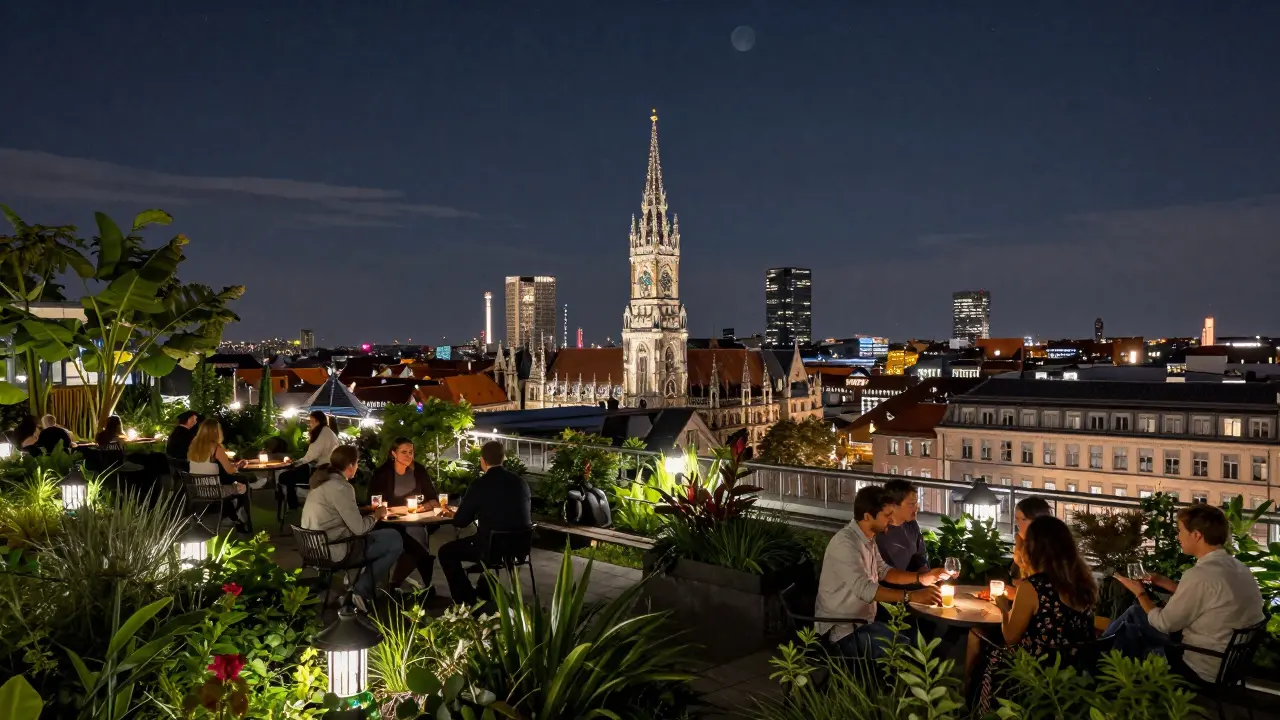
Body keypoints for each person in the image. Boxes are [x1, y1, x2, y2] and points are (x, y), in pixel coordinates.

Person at [1109, 504, 1265, 682]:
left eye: (1180, 531)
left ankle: (1101, 664)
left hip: (1202, 666)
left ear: (1197, 535)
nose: (1178, 537)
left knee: (1132, 621)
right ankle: (1104, 662)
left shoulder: (1200, 575)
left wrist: (1140, 593)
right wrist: (1163, 582)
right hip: (1232, 663)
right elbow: (1211, 596)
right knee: (1134, 619)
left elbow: (1164, 624)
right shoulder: (1238, 567)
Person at [970, 515, 1098, 708]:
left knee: (983, 640)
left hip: (1038, 671)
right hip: (1075, 669)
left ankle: (972, 703)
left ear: (1034, 549)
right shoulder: (1082, 583)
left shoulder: (1034, 587)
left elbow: (1010, 637)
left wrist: (1004, 608)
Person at [815, 485, 946, 658]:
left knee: (917, 639)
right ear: (867, 516)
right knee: (907, 651)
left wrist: (922, 578)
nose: (891, 520)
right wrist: (912, 596)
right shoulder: (845, 544)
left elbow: (884, 571)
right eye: (887, 515)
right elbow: (864, 589)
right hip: (842, 631)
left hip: (864, 622)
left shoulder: (868, 539)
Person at [301, 445, 403, 601]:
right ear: (350, 465)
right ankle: (360, 591)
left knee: (384, 536)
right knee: (394, 539)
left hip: (313, 547)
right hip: (334, 549)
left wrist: (364, 510)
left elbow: (337, 512)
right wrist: (376, 515)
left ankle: (359, 586)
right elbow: (359, 529)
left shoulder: (322, 482)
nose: (357, 467)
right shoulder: (341, 487)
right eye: (357, 463)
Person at [438, 441, 532, 605]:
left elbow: (461, 521)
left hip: (491, 549)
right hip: (520, 546)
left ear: (482, 460)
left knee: (446, 552)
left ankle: (467, 599)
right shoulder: (520, 482)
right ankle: (483, 589)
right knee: (479, 540)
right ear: (504, 458)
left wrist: (456, 513)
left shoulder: (479, 485)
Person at [367, 438, 440, 592]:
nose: (408, 456)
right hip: (390, 522)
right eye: (404, 452)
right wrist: (401, 509)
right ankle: (395, 584)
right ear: (394, 453)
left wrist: (425, 506)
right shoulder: (382, 474)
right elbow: (375, 502)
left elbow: (432, 497)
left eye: (411, 452)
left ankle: (398, 583)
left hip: (416, 520)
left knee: (419, 537)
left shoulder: (418, 470)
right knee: (417, 548)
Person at [187, 418, 252, 533]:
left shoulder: (193, 446)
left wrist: (233, 466)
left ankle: (233, 515)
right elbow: (230, 471)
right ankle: (242, 518)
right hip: (214, 491)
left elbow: (206, 466)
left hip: (196, 490)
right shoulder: (216, 448)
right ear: (216, 432)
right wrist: (237, 466)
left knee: (234, 484)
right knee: (243, 484)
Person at [278, 411, 340, 509]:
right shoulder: (329, 433)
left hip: (319, 471)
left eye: (311, 421)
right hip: (328, 469)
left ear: (317, 421)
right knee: (289, 475)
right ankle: (293, 503)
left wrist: (294, 463)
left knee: (284, 476)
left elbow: (310, 457)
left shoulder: (321, 435)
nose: (309, 424)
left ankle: (292, 505)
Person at [876, 478, 930, 572]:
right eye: (911, 504)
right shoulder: (879, 533)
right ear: (893, 505)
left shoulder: (912, 525)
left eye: (916, 503)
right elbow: (883, 573)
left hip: (913, 579)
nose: (916, 508)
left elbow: (920, 557)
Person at [1009, 497, 1053, 593]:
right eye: (1017, 519)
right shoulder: (1022, 542)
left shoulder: (1048, 550)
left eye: (1023, 519)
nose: (1018, 524)